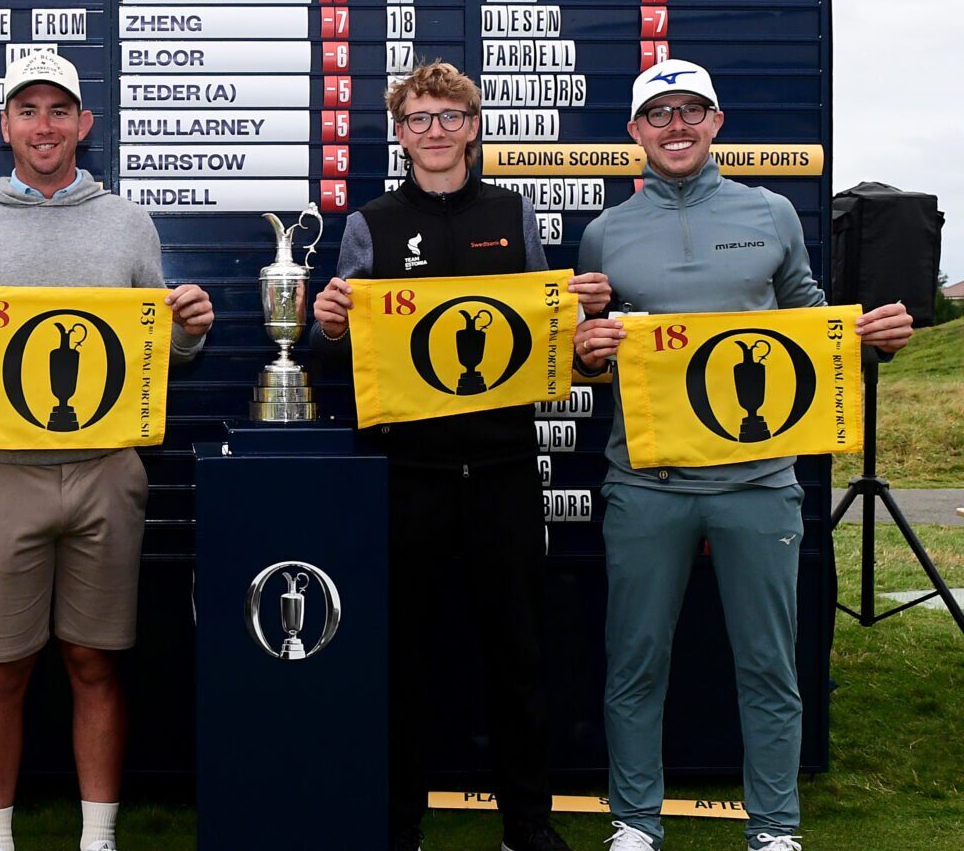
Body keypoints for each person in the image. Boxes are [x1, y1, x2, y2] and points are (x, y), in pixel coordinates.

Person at [572, 60, 913, 851]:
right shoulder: (605, 232)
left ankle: (775, 828)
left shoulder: (771, 213)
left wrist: (870, 340)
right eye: (659, 114)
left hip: (760, 482)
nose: (677, 126)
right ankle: (634, 823)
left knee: (768, 665)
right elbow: (589, 357)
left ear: (717, 122)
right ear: (634, 134)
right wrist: (589, 352)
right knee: (635, 662)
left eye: (692, 110)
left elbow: (811, 320)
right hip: (645, 479)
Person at [0, 51, 214, 851]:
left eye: (59, 110)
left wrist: (192, 325)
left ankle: (96, 836)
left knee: (95, 661)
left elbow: (164, 351)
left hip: (108, 470)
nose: (44, 125)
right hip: (0, 473)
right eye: (28, 110)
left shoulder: (128, 222)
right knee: (0, 667)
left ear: (84, 125)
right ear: (5, 125)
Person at [310, 61, 607, 851]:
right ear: (398, 132)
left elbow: (553, 336)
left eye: (449, 116)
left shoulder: (514, 212)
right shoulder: (371, 220)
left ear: (473, 127)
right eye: (418, 118)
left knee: (517, 655)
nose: (434, 131)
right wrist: (331, 322)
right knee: (402, 658)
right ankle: (398, 821)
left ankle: (526, 823)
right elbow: (327, 346)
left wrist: (580, 324)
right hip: (407, 475)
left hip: (505, 471)